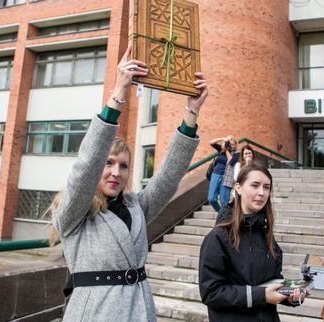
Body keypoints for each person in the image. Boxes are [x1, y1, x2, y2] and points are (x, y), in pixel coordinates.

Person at [48, 44, 208, 322]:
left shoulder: (135, 207)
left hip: (139, 310)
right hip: (94, 313)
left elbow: (168, 178)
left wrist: (191, 111)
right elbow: (86, 168)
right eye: (108, 163)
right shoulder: (75, 213)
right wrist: (119, 92)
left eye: (123, 166)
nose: (116, 173)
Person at [199, 163, 306, 322]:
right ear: (238, 188)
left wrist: (289, 296)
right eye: (255, 185)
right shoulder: (217, 238)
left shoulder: (267, 236)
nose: (261, 193)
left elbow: (272, 282)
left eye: (267, 187)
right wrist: (261, 296)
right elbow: (211, 293)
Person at [207, 135, 239, 211]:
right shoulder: (221, 149)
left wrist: (227, 150)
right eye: (229, 144)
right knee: (211, 199)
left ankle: (224, 217)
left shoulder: (237, 153)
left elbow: (231, 162)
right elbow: (211, 142)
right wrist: (222, 139)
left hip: (227, 178)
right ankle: (221, 213)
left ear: (235, 145)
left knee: (224, 202)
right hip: (216, 174)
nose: (230, 146)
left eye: (232, 144)